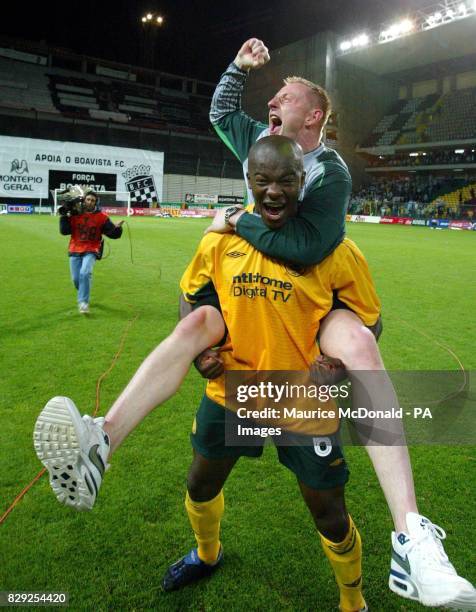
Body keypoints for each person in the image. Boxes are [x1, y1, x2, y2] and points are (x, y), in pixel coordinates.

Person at [34, 138, 475, 610]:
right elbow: (193, 294)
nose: (273, 192)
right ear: (248, 182)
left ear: (303, 182)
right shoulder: (220, 238)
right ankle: (198, 545)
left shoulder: (333, 248)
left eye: (286, 180)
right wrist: (204, 353)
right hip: (232, 393)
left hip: (304, 402)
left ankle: (354, 600)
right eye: (262, 180)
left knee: (329, 515)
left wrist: (340, 368)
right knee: (200, 484)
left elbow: (370, 324)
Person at [202, 39, 475, 610]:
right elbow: (221, 113)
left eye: (286, 96)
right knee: (203, 467)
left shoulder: (330, 170)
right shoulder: (259, 139)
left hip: (310, 328)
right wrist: (236, 67)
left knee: (357, 354)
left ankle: (410, 539)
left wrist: (233, 222)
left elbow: (305, 247)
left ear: (314, 116)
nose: (272, 99)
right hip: (253, 349)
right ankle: (114, 449)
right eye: (272, 94)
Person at [59, 190, 124, 314]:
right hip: (74, 249)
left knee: (85, 272)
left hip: (92, 249)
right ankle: (84, 292)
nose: (90, 202)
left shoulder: (102, 217)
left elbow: (112, 234)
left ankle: (83, 302)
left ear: (96, 202)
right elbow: (64, 231)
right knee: (76, 279)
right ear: (84, 200)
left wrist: (118, 228)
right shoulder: (75, 214)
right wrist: (64, 216)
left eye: (93, 200)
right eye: (88, 199)